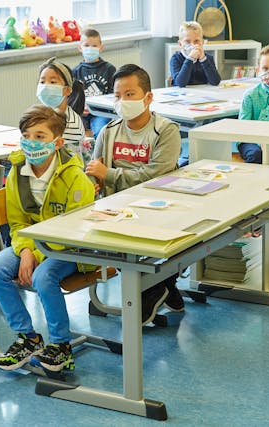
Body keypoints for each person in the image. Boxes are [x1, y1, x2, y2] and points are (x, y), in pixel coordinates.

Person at [0, 104, 95, 372]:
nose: (31, 142)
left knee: (43, 277)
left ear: (57, 143)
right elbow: (17, 221)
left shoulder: (74, 177)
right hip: (31, 244)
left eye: (40, 136)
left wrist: (36, 254)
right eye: (26, 136)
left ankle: (61, 346)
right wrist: (25, 251)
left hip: (71, 247)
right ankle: (28, 338)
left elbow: (74, 229)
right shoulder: (17, 172)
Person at [85, 64, 183, 325]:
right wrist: (94, 182)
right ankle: (160, 285)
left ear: (148, 97)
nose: (123, 101)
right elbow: (95, 170)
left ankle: (156, 285)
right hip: (116, 207)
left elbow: (155, 175)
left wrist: (109, 175)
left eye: (130, 94)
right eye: (118, 96)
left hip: (158, 205)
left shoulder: (167, 130)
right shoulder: (108, 131)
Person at [36, 57, 88, 163]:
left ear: (67, 90)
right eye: (42, 82)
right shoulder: (40, 114)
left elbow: (68, 162)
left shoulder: (71, 124)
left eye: (53, 82)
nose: (45, 86)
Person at [71, 28, 116, 140]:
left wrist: (99, 107)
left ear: (101, 47)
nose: (90, 49)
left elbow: (113, 94)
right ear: (80, 48)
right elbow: (72, 96)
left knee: (100, 131)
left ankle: (99, 151)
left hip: (101, 112)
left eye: (94, 46)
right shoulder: (75, 72)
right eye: (86, 45)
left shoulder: (109, 69)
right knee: (70, 130)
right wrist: (80, 108)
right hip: (82, 113)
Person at [169, 21, 221, 88]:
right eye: (187, 41)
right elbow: (180, 83)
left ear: (202, 42)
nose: (193, 45)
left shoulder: (208, 58)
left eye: (196, 41)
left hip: (202, 92)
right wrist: (190, 59)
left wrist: (203, 59)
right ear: (180, 44)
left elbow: (215, 81)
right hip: (183, 93)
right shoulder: (176, 58)